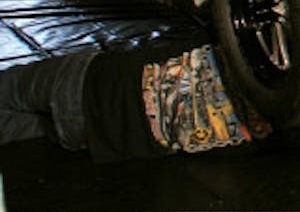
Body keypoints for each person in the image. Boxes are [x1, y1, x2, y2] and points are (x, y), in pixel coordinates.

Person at [0, 38, 270, 162]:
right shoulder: (250, 139)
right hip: (91, 134)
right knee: (14, 129)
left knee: (9, 89)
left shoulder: (233, 47)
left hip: (82, 83)